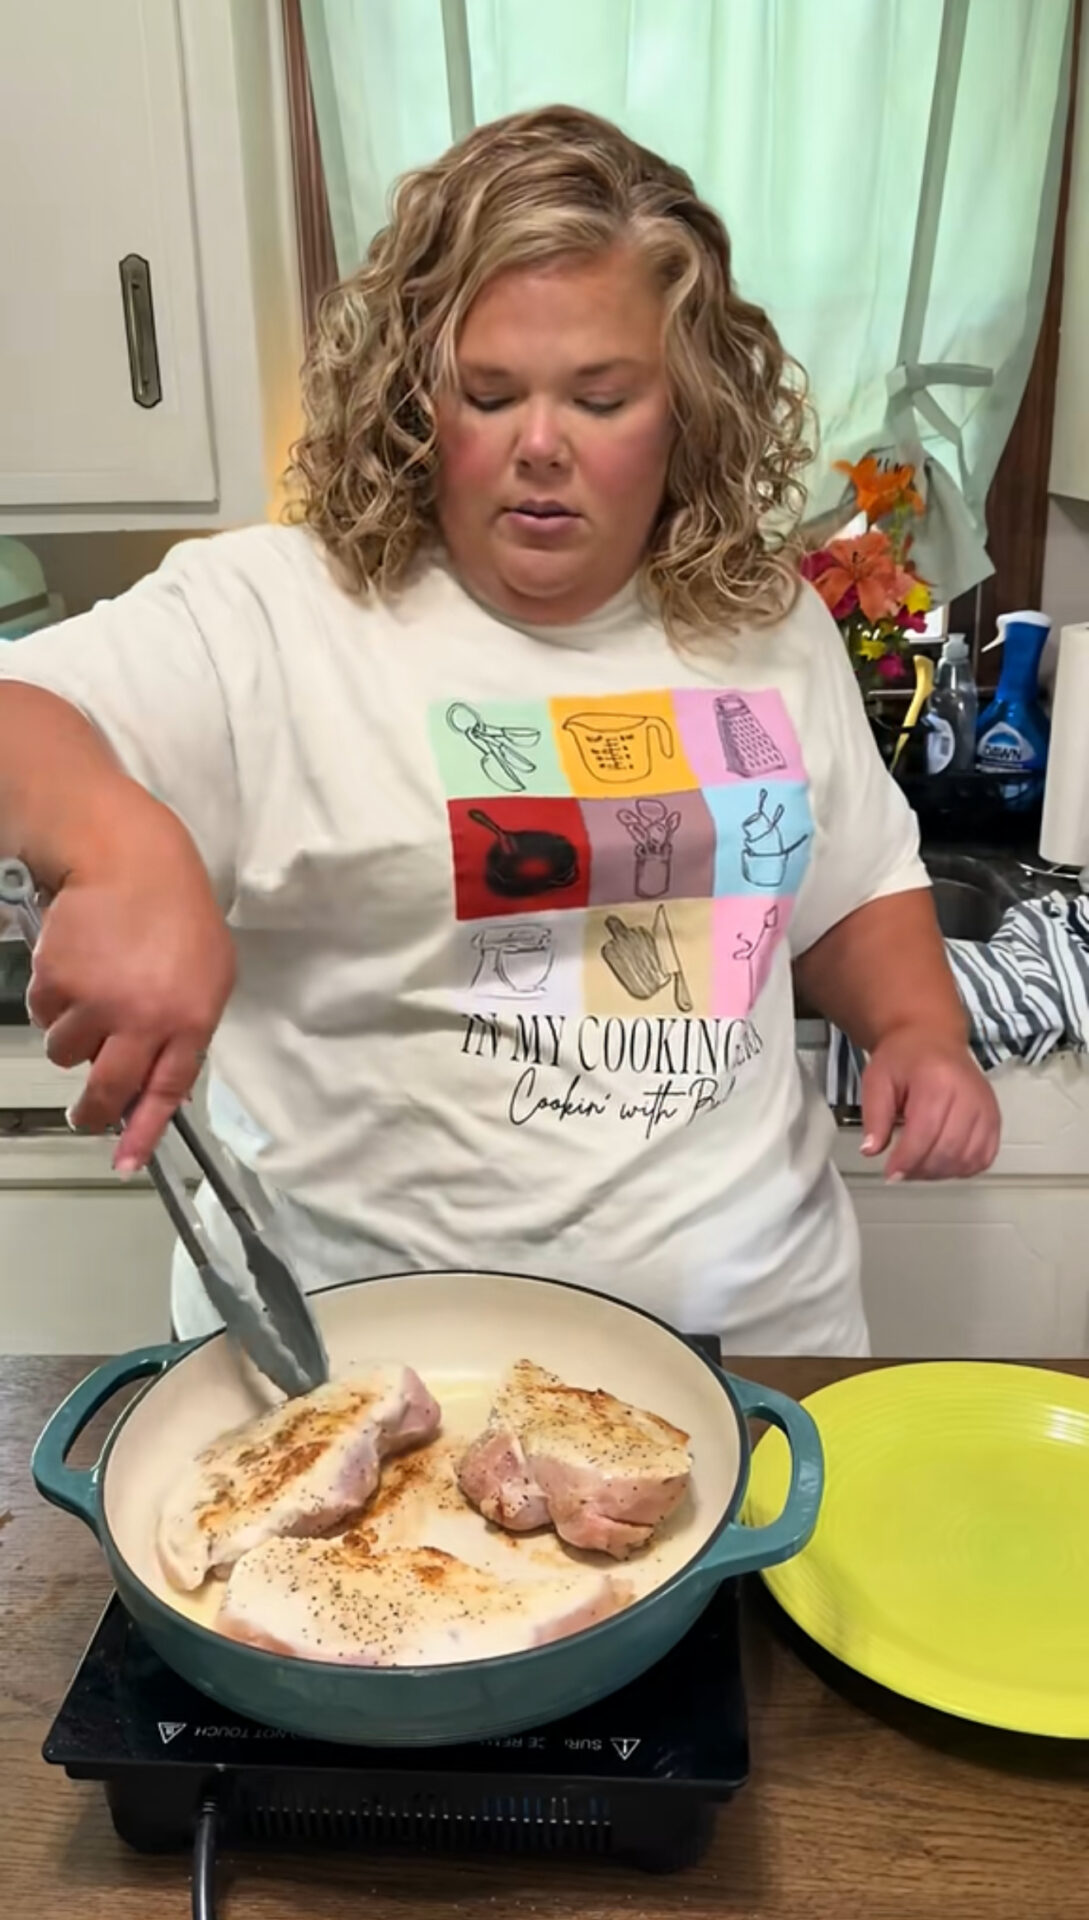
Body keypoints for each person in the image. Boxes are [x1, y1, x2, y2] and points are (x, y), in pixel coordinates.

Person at [0, 106, 998, 1354]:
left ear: (685, 405)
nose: (539, 445)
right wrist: (119, 845)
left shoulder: (766, 618)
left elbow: (851, 886)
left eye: (601, 395)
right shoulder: (274, 610)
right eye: (489, 393)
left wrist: (918, 1031)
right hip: (360, 1389)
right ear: (418, 394)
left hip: (750, 1357)